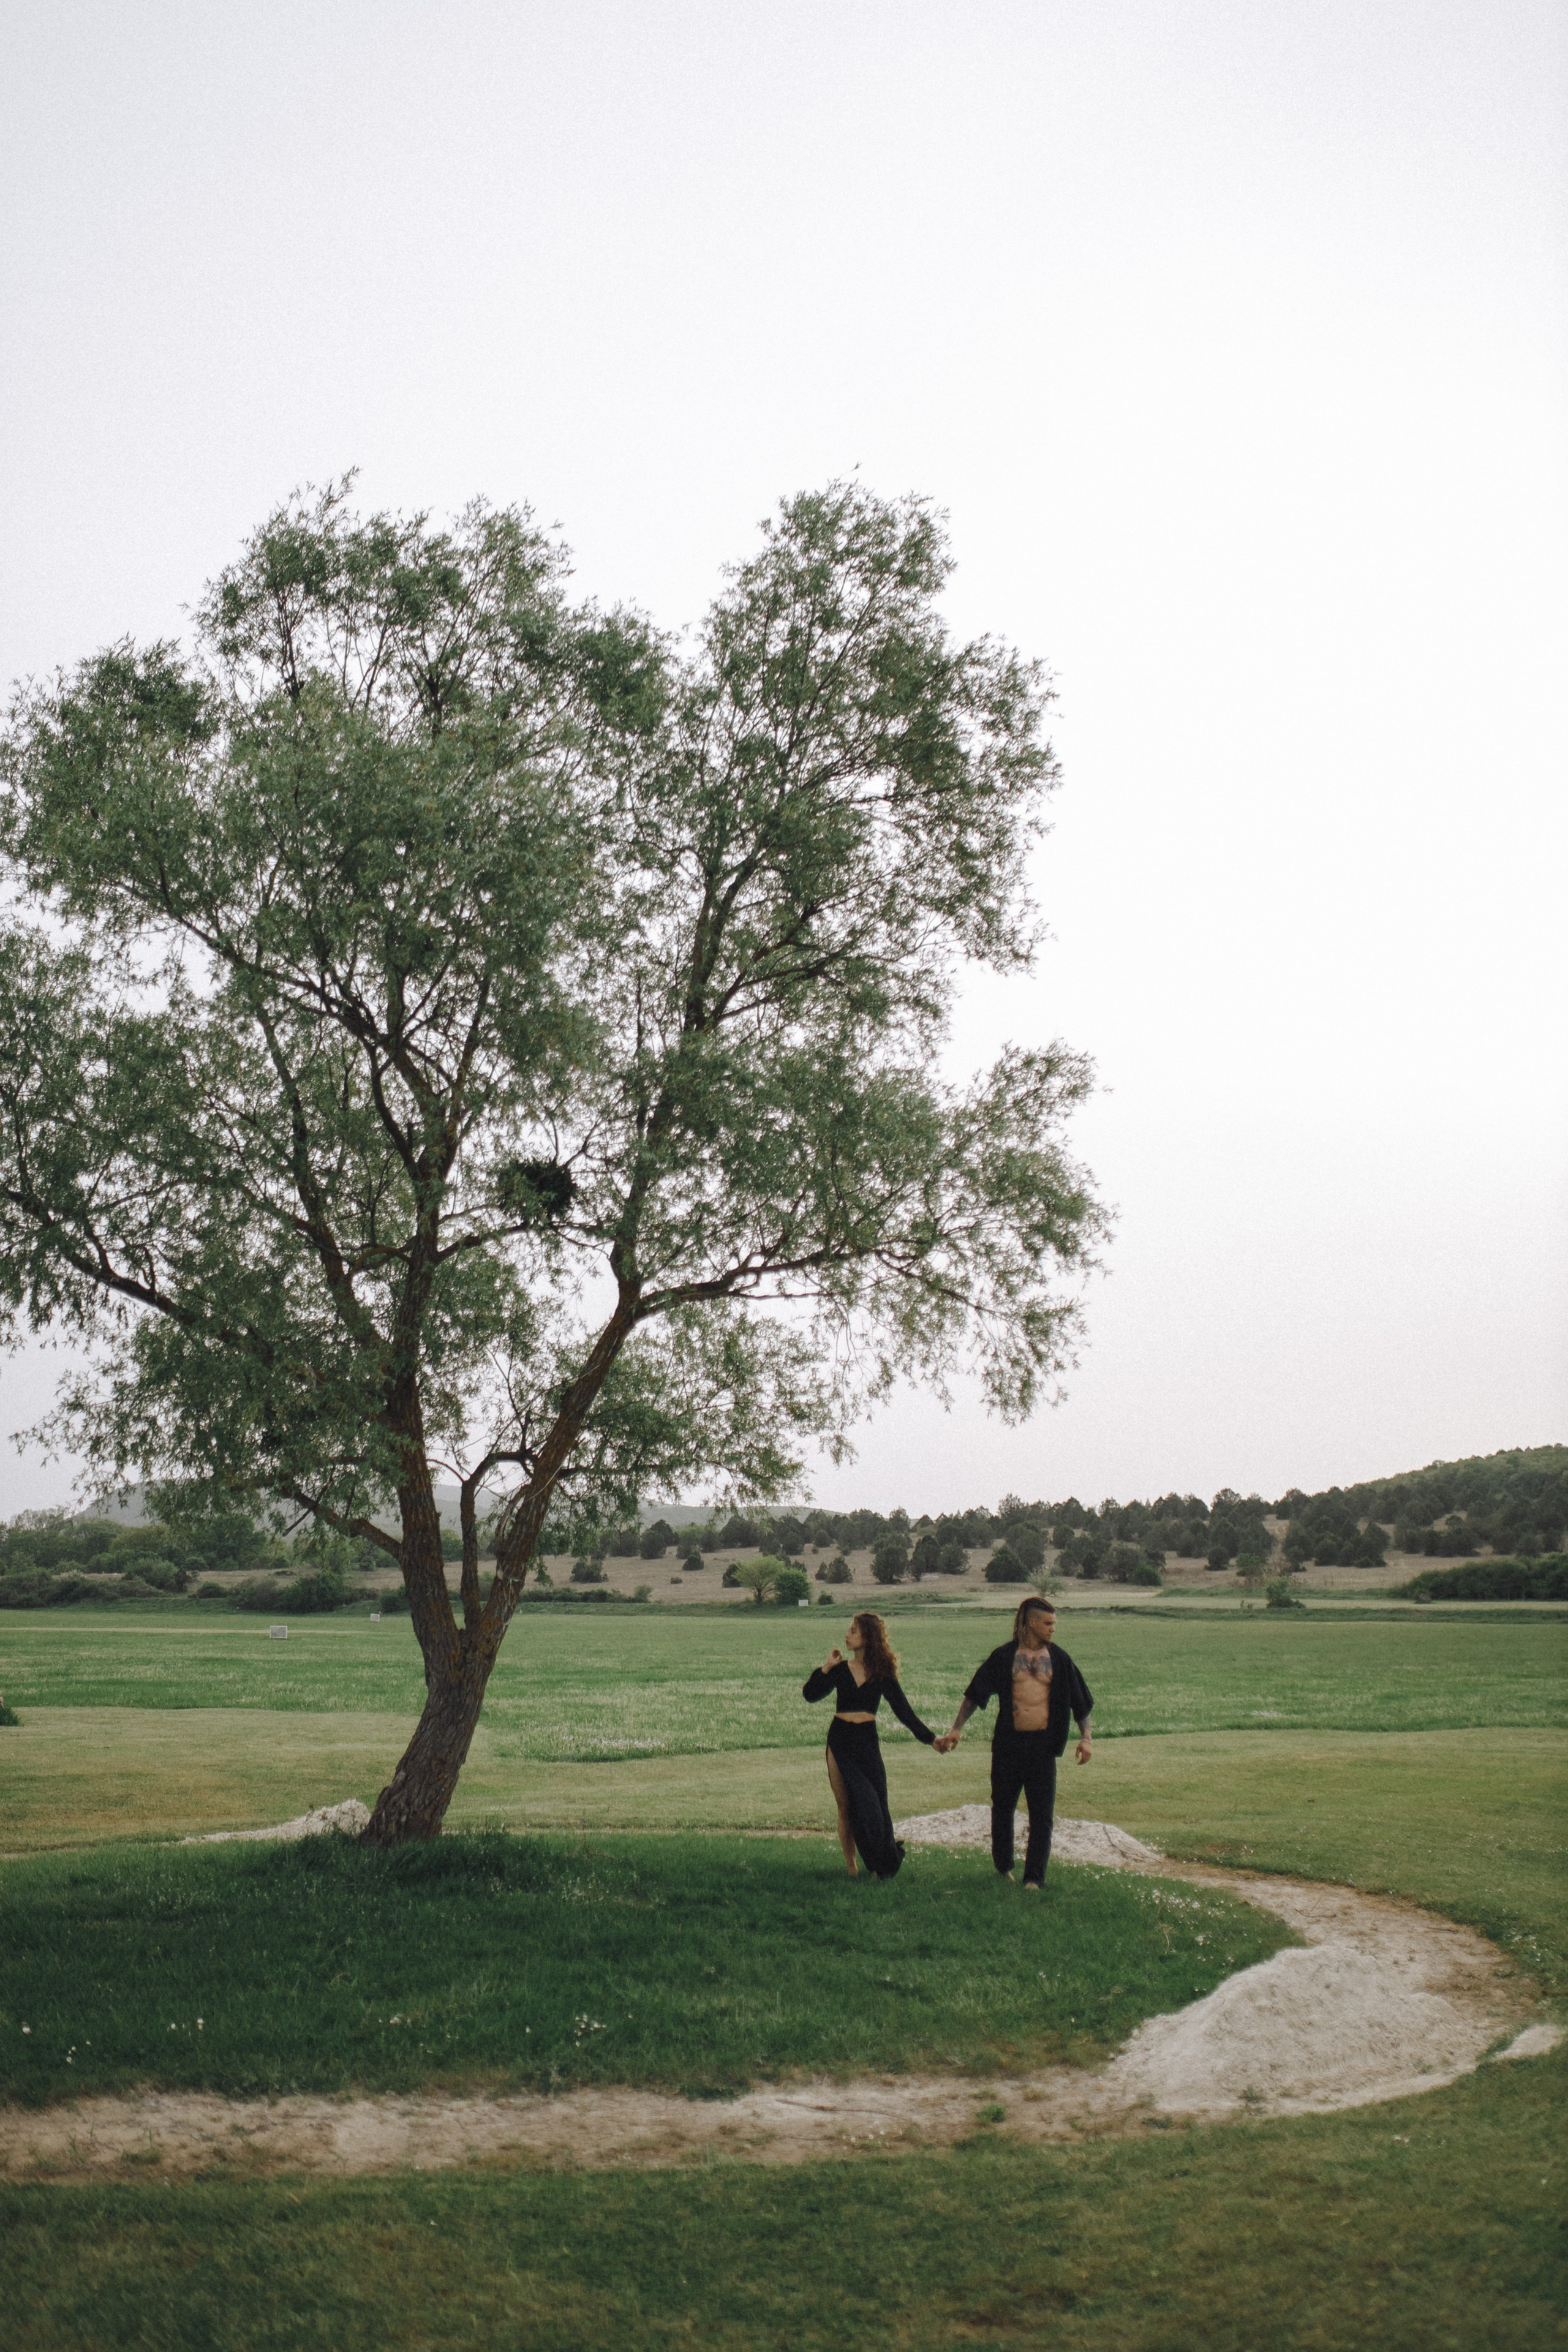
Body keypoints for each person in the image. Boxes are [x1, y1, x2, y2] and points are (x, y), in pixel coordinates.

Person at [934, 1597, 1092, 1888]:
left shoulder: (1060, 1659)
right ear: (1032, 1622)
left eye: (1054, 1623)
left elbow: (1080, 1703)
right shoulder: (1004, 1657)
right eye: (1048, 1623)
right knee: (1002, 1808)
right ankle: (1003, 1865)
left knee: (1042, 1815)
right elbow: (974, 1694)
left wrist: (1086, 1739)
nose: (1053, 1629)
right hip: (1008, 1745)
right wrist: (956, 1728)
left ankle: (1034, 1878)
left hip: (1043, 1747)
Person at [802, 1611, 942, 1879]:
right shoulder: (840, 1670)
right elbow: (810, 1695)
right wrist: (826, 1668)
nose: (847, 1635)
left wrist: (931, 1739)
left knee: (875, 1803)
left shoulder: (882, 1674)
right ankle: (852, 1867)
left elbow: (904, 1711)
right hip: (840, 1739)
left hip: (867, 1740)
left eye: (853, 1631)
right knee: (845, 1806)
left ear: (867, 1636)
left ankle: (884, 1863)